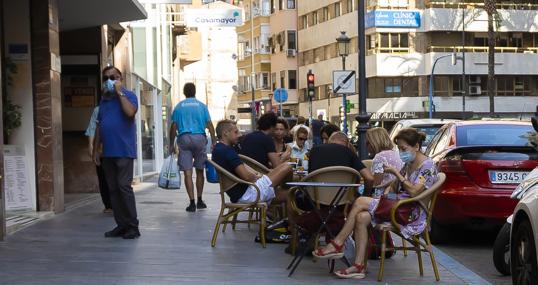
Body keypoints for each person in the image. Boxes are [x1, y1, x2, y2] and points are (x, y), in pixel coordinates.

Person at [311, 128, 438, 279]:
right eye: (399, 148)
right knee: (361, 217)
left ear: (416, 147)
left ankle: (337, 243)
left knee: (359, 201)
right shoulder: (409, 163)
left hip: (411, 213)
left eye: (403, 149)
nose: (401, 152)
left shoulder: (427, 166)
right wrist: (388, 196)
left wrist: (395, 173)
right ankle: (359, 265)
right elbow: (395, 185)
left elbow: (415, 192)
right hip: (400, 206)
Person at [93, 66, 140, 239]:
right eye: (106, 78)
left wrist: (120, 92)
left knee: (123, 186)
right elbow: (99, 125)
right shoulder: (104, 100)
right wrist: (95, 149)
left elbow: (130, 112)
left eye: (113, 77)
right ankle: (121, 225)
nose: (109, 80)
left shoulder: (129, 95)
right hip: (107, 152)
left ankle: (133, 226)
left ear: (120, 78)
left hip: (124, 151)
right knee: (113, 189)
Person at [212, 120, 292, 204]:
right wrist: (257, 176)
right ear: (225, 133)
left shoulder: (219, 149)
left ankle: (283, 200)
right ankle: (283, 188)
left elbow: (244, 169)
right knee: (287, 166)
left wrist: (258, 175)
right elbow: (247, 177)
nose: (239, 135)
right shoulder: (227, 151)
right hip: (249, 193)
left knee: (291, 193)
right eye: (236, 132)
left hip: (242, 194)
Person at [169, 83, 217, 212]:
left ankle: (192, 203)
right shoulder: (202, 106)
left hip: (184, 139)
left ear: (184, 92)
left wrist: (171, 144)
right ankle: (200, 200)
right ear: (195, 91)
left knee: (187, 172)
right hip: (200, 138)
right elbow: (210, 124)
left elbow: (173, 127)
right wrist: (213, 140)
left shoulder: (179, 107)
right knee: (200, 171)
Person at [309, 132, 374, 192]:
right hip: (343, 200)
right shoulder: (348, 152)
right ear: (347, 144)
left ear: (329, 140)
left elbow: (310, 177)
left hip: (316, 198)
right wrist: (366, 195)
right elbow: (369, 178)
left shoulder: (314, 151)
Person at [85, 105, 112, 213]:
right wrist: (90, 145)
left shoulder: (123, 107)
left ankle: (116, 204)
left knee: (115, 179)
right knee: (103, 177)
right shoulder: (99, 110)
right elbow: (93, 127)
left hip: (117, 149)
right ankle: (108, 205)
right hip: (101, 150)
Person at [366, 127, 405, 197]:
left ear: (373, 143)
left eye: (367, 142)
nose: (366, 145)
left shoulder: (379, 157)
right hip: (398, 192)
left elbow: (377, 183)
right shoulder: (397, 153)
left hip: (384, 195)